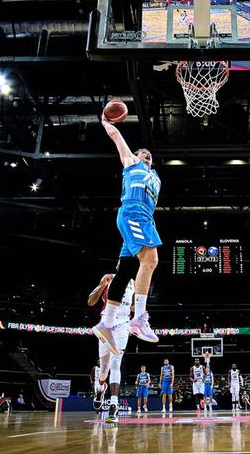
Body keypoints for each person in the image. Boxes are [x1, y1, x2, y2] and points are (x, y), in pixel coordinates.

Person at [93, 113, 161, 354]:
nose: (146, 155)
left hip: (142, 219)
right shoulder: (132, 163)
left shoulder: (155, 178)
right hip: (134, 215)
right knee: (151, 260)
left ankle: (107, 323)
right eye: (143, 153)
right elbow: (116, 136)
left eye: (149, 155)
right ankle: (139, 318)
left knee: (125, 273)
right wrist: (106, 123)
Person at [88, 271, 135, 423]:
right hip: (107, 322)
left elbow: (134, 307)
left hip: (123, 324)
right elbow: (91, 301)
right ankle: (100, 389)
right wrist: (102, 285)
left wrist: (135, 321)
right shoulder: (108, 277)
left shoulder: (133, 282)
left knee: (116, 364)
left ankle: (113, 405)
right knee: (103, 369)